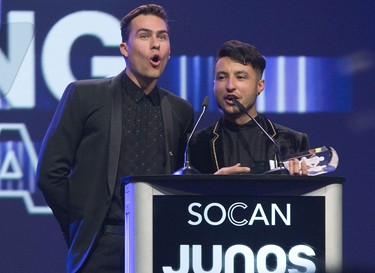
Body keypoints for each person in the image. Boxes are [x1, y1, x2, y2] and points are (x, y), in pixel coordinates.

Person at [36, 4, 194, 273]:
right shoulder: (85, 96)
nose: (155, 44)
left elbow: (179, 179)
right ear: (124, 48)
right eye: (144, 36)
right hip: (103, 242)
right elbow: (50, 174)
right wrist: (81, 227)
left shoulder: (180, 111)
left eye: (162, 36)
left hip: (160, 245)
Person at [190, 40, 309, 175]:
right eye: (222, 77)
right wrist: (213, 184)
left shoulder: (292, 141)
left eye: (240, 77)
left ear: (260, 85)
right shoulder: (195, 144)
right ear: (214, 84)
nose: (230, 86)